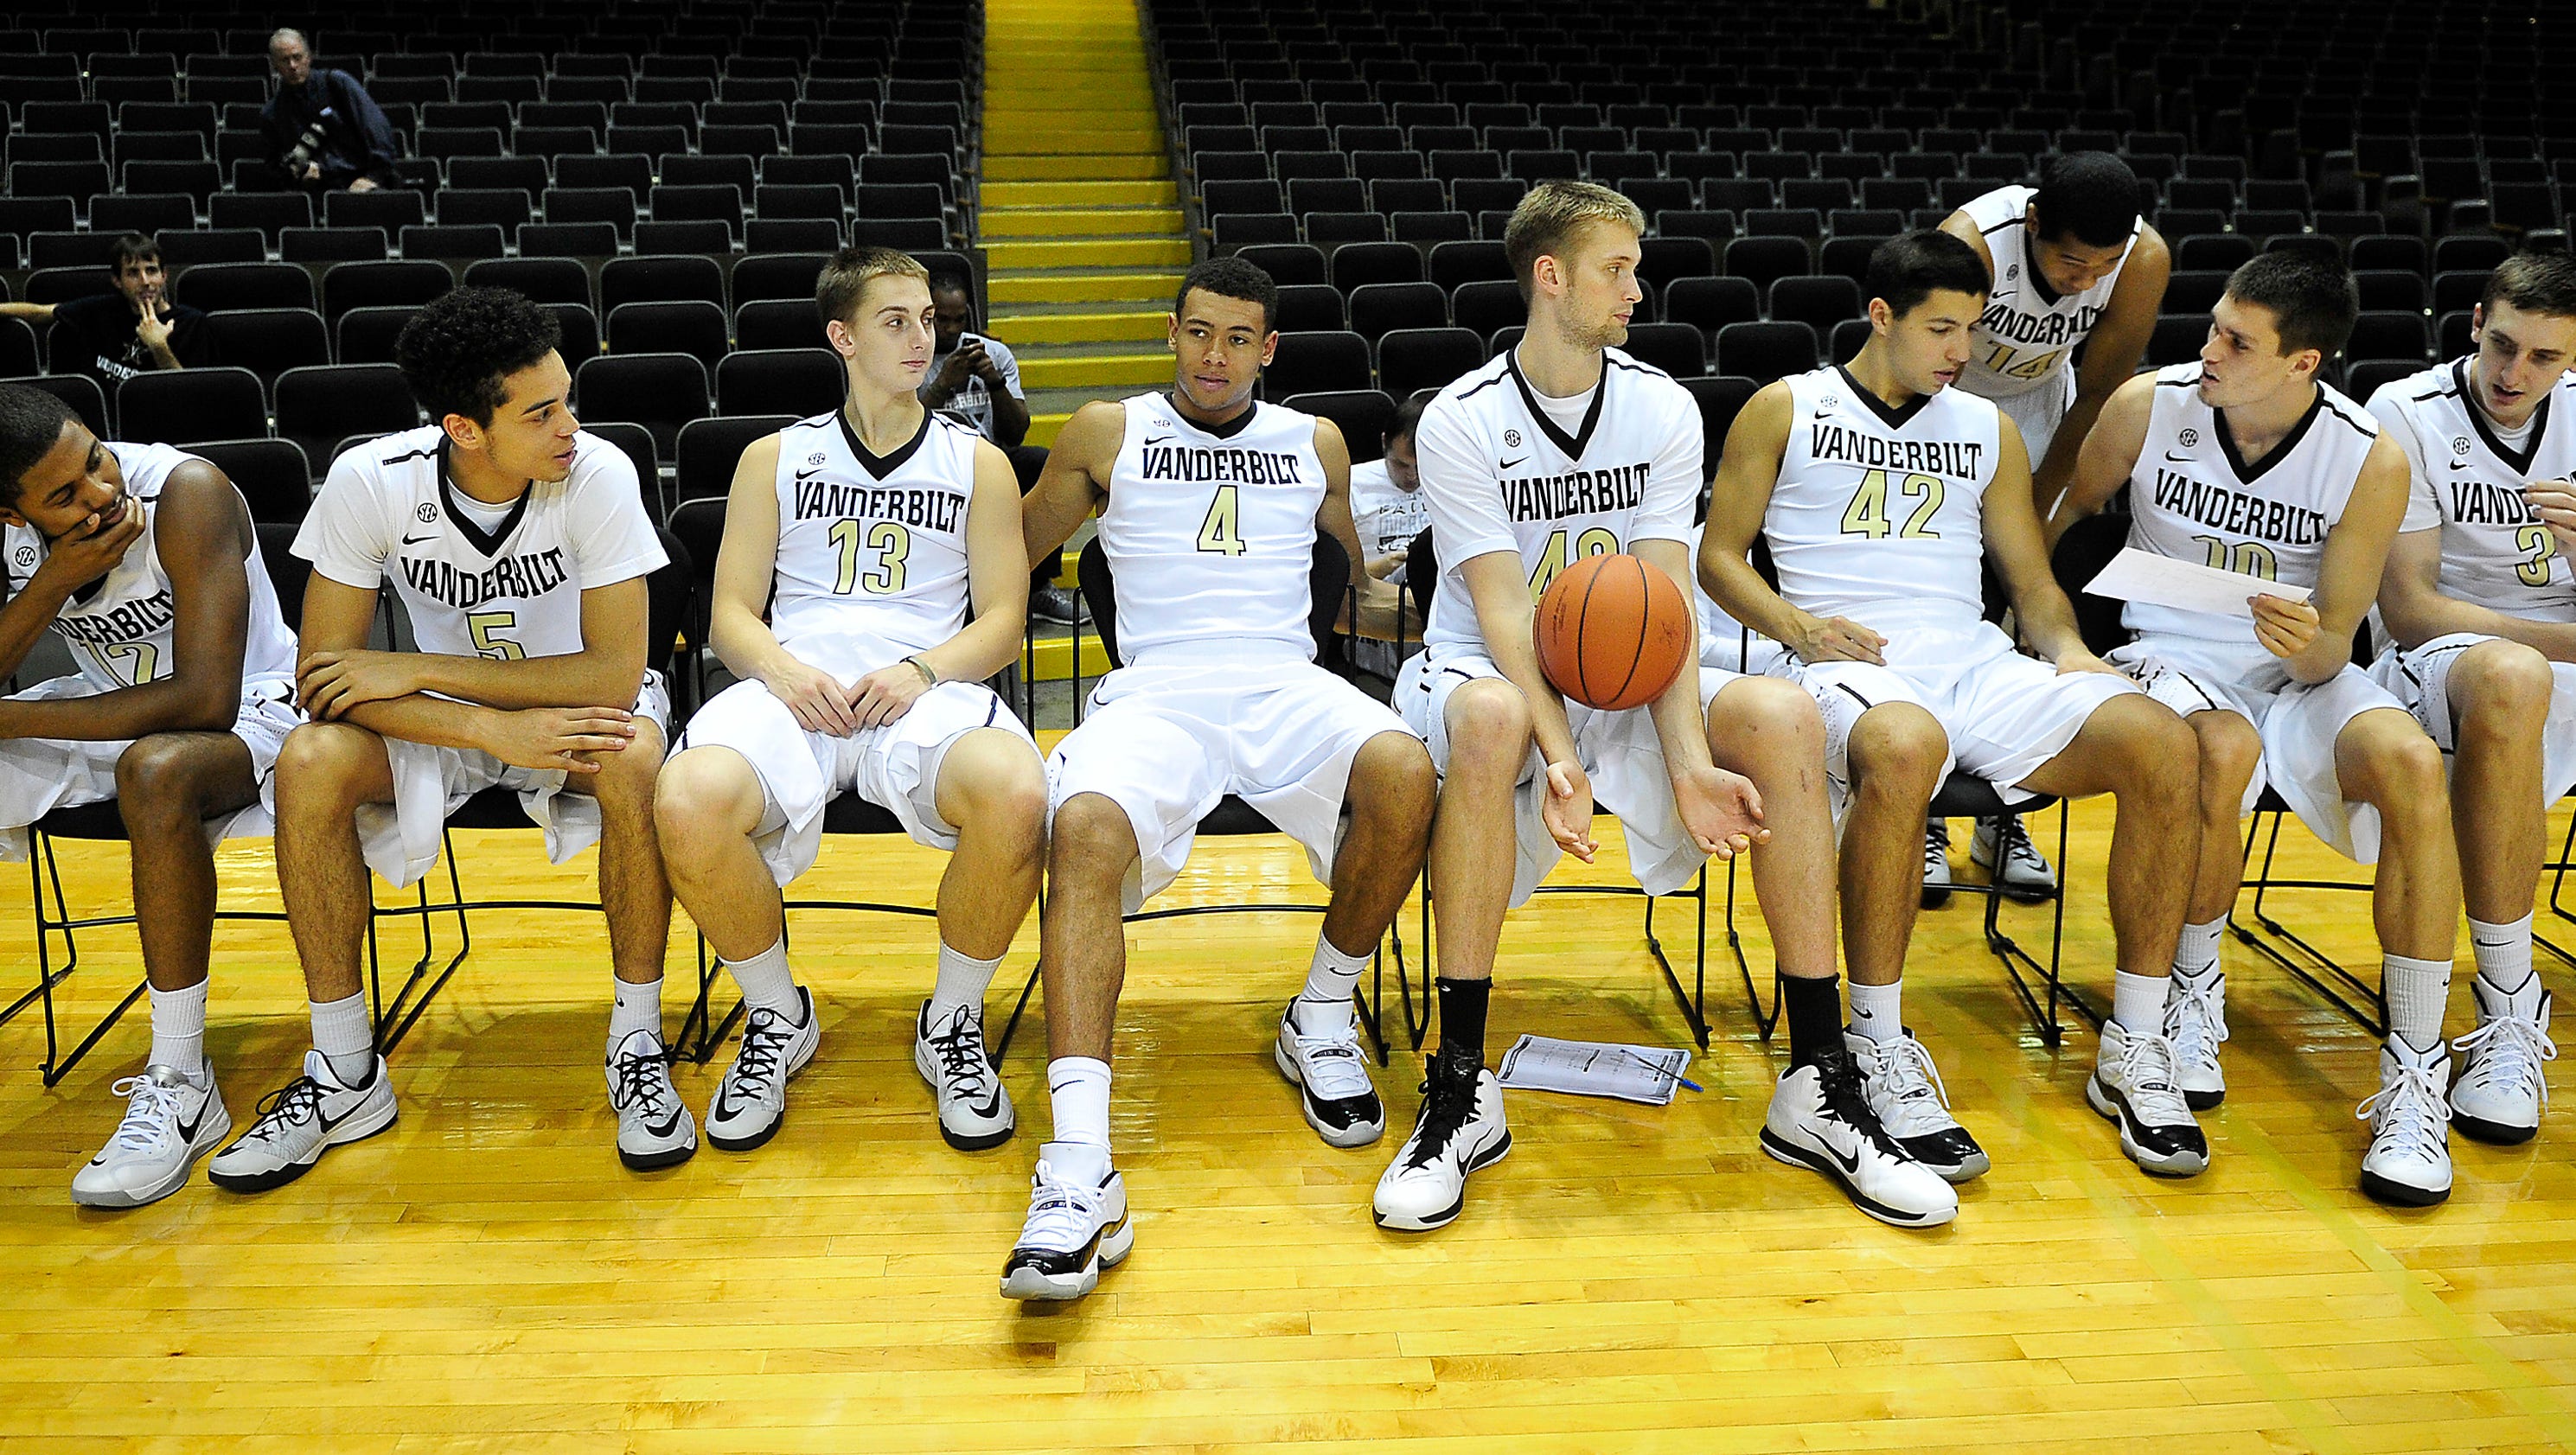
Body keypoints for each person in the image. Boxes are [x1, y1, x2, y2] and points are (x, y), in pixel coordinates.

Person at [1403, 182, 1954, 1230]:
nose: (1637, 287)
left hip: (1628, 669)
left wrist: (1693, 758)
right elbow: (1505, 615)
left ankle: (1818, 1081)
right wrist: (1562, 760)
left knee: (1785, 716)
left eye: (1637, 266)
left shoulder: (1658, 403)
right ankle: (1461, 1084)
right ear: (1550, 276)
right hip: (1491, 668)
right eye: (1617, 267)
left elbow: (1660, 606)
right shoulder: (1462, 421)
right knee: (1493, 721)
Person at [1703, 230, 2206, 1183]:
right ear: (1881, 316)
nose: (1959, 351)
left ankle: (2138, 1045)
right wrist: (1800, 627)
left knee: (2161, 740)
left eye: (1972, 329)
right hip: (1844, 656)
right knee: (1905, 742)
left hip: (1971, 657)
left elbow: (2031, 578)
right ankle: (1875, 1043)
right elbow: (1717, 558)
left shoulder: (1987, 428)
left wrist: (2070, 655)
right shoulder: (1786, 408)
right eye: (1940, 328)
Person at [1004, 257, 1433, 1300]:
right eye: (1199, 333)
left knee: (1406, 771)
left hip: (1285, 681)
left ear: (1269, 350)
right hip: (1159, 692)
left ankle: (1320, 1013)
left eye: (1239, 338)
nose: (1215, 355)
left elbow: (1351, 590)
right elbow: (1010, 552)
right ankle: (1079, 1164)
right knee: (1088, 823)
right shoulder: (1110, 430)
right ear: (1172, 330)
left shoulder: (1314, 442)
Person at [207, 288, 679, 1190]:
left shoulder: (601, 474)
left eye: (567, 398)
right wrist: (482, 724)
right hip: (453, 721)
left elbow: (613, 675)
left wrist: (424, 676)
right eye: (540, 413)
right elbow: (322, 677)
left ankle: (637, 1041)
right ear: (464, 429)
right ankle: (345, 1069)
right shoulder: (369, 481)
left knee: (634, 754)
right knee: (309, 761)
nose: (569, 427)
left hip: (568, 707)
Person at [2054, 252, 2457, 1204]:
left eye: (2238, 341)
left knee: (2410, 765)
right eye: (2215, 325)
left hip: (2296, 671)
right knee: (2218, 748)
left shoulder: (2370, 457)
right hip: (2169, 651)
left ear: (2302, 363)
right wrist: (2055, 638)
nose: (2210, 349)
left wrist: (2311, 642)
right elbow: (2055, 524)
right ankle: (2189, 988)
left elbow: (2331, 653)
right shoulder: (2150, 407)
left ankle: (2415, 1076)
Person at [654, 247, 1047, 1157]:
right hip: (795, 685)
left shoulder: (979, 464)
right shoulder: (775, 457)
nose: (923, 336)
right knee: (684, 798)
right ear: (843, 336)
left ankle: (950, 1023)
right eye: (895, 320)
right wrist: (787, 675)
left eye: (928, 319)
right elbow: (730, 617)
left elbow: (1002, 622)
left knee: (1019, 794)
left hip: (921, 689)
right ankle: (776, 1015)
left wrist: (920, 672)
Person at [0, 386, 300, 1207]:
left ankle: (181, 1078)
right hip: (105, 709)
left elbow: (207, 697)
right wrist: (53, 581)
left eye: (94, 459)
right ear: (12, 517)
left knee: (156, 769)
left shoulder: (185, 492)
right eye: (64, 495)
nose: (100, 492)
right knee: (141, 760)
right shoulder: (26, 547)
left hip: (255, 713)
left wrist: (15, 715)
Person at [2363, 251, 2576, 1152]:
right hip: (2442, 661)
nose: (2513, 374)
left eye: (2543, 359)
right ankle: (2505, 1003)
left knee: (2521, 677)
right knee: (2509, 677)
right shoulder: (2402, 413)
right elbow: (2409, 608)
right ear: (2476, 319)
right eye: (2501, 345)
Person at [1924, 152, 2174, 908]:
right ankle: (1928, 810)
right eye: (2070, 261)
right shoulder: (1972, 240)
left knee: (2029, 608)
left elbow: (2098, 389)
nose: (2083, 281)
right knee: (1943, 607)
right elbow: (1911, 359)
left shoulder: (2142, 259)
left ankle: (2003, 815)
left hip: (2042, 415)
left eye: (2101, 265)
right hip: (1943, 403)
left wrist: (2037, 501)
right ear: (2032, 223)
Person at [0, 235, 208, 394]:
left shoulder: (190, 322)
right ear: (117, 281)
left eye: (152, 271)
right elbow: (39, 313)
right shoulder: (100, 310)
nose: (145, 281)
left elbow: (188, 395)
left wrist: (158, 346)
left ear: (164, 276)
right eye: (133, 273)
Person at [1345, 389, 1431, 681]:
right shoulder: (1351, 485)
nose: (1412, 477)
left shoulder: (1449, 481)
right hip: (1374, 594)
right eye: (1401, 465)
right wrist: (1387, 565)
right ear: (1384, 444)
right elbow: (1338, 578)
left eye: (1421, 467)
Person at [259, 29, 398, 195]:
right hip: (317, 193)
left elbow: (376, 129)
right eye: (284, 60)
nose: (293, 66)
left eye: (297, 57)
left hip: (362, 181)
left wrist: (373, 177)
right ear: (274, 65)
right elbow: (275, 169)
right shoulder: (272, 114)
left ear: (308, 57)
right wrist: (299, 177)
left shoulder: (337, 83)